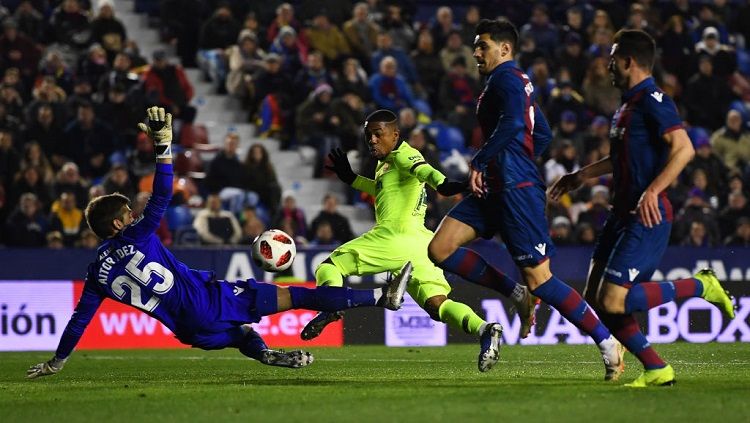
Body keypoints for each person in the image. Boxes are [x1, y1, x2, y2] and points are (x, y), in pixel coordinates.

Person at [26, 107, 409, 379]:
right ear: (116, 224)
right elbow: (161, 196)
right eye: (127, 214)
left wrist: (57, 362)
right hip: (208, 300)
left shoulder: (97, 273)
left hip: (189, 331)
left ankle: (268, 356)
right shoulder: (136, 235)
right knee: (300, 296)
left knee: (243, 333)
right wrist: (163, 147)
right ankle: (380, 297)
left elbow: (80, 321)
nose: (132, 217)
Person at [426, 19, 622, 380]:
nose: (475, 52)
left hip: (516, 190)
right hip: (497, 186)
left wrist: (489, 162)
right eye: (475, 46)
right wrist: (512, 159)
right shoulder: (514, 82)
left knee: (542, 282)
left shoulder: (505, 78)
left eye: (482, 45)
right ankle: (514, 292)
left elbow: (518, 125)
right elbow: (540, 132)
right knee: (440, 249)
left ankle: (608, 343)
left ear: (505, 49)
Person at [549, 29, 735, 387]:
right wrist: (582, 176)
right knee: (596, 299)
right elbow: (622, 158)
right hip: (619, 214)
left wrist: (653, 191)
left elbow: (684, 149)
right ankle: (656, 368)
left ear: (628, 61)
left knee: (614, 299)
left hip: (647, 216)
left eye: (613, 57)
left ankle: (700, 286)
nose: (608, 64)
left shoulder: (654, 99)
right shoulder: (627, 105)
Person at [302, 109, 504, 373]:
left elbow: (426, 172)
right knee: (437, 305)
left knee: (328, 267)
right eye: (368, 135)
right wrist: (351, 178)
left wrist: (449, 185)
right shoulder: (387, 163)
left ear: (395, 134)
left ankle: (332, 307)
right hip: (421, 245)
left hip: (393, 237)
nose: (372, 140)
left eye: (378, 134)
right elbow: (383, 189)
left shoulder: (403, 154)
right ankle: (486, 329)